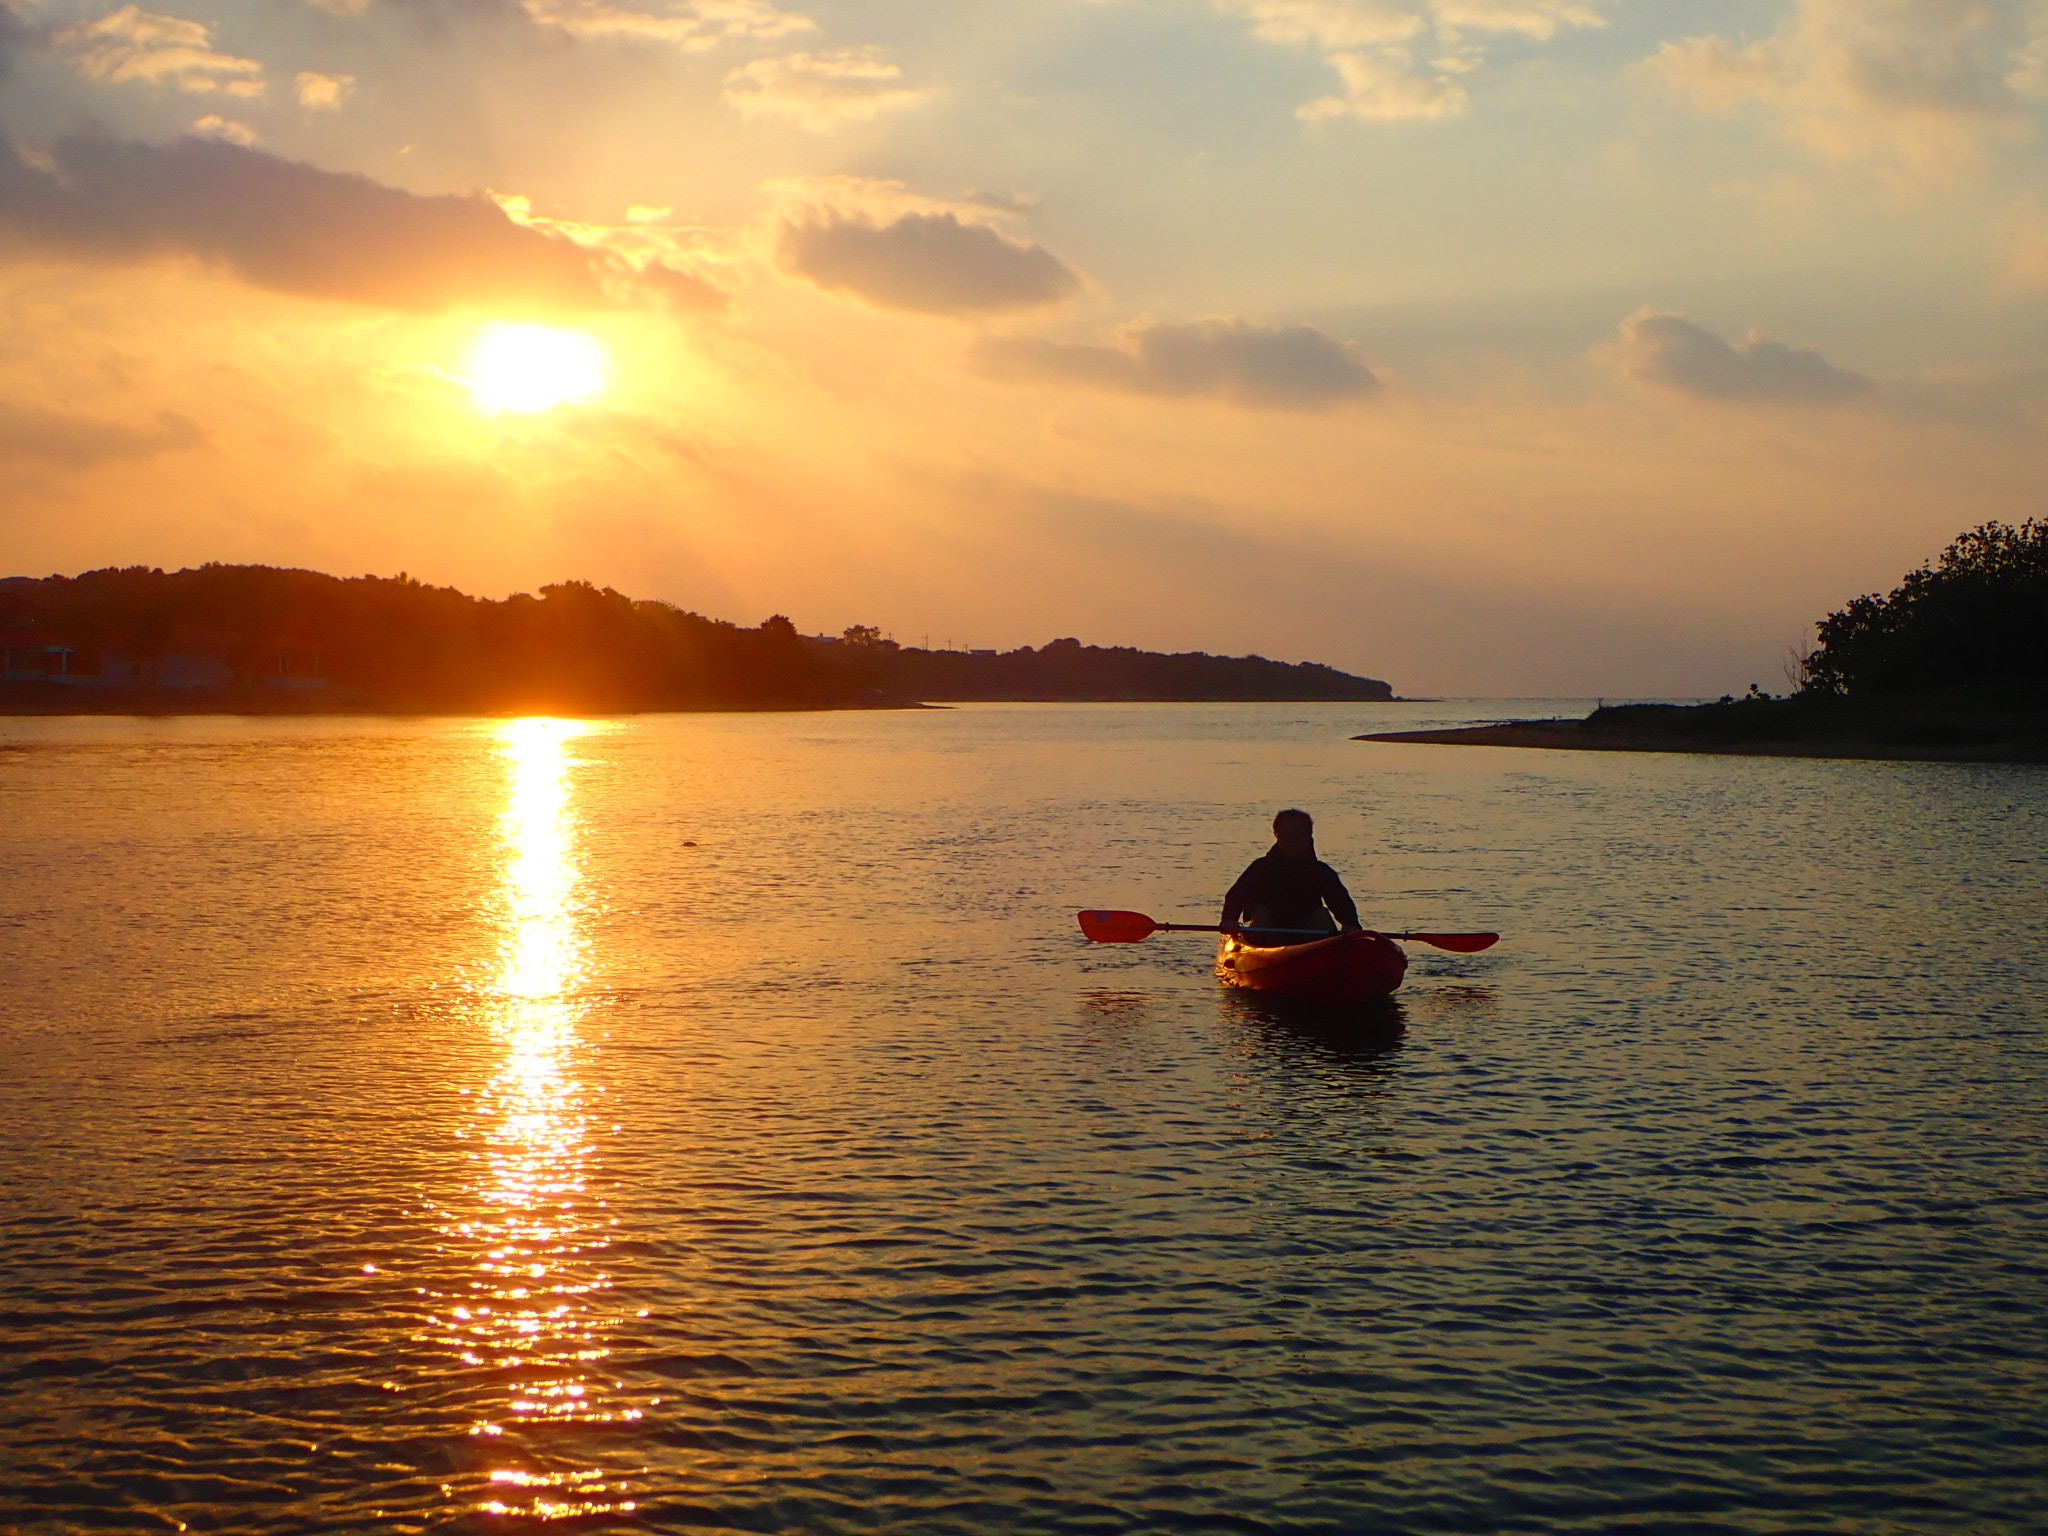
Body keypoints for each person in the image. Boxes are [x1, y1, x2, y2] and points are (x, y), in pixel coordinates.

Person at [1219, 808, 1362, 940]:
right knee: (1263, 914)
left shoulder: (1320, 871)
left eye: (1298, 834)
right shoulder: (1261, 867)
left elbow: (1339, 899)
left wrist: (1350, 924)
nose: (1292, 840)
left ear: (1308, 836)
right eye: (1287, 834)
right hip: (1268, 926)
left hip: (1308, 924)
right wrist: (1229, 920)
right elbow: (1237, 895)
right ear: (1277, 835)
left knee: (1321, 915)